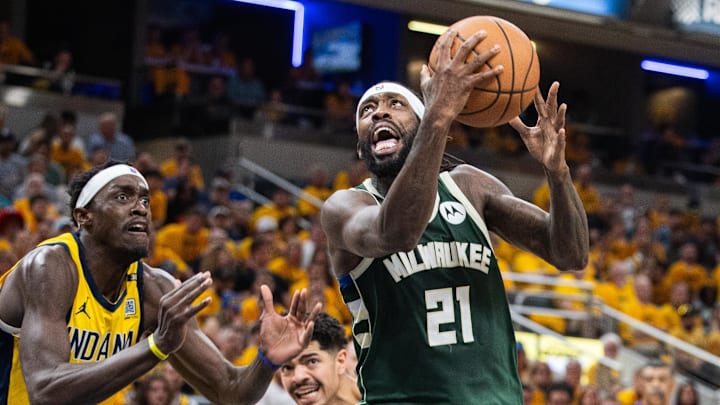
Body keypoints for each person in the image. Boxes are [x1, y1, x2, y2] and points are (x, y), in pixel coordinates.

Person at [319, 28, 589, 403]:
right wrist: (438, 115)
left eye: (396, 104)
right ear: (360, 143)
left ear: (421, 126)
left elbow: (570, 253)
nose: (379, 111)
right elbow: (396, 233)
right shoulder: (346, 207)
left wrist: (558, 174)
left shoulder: (471, 187)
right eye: (367, 110)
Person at [0, 161, 321, 404]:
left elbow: (230, 390)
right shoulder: (51, 267)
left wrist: (266, 360)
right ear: (84, 215)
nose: (139, 207)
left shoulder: (155, 289)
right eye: (123, 196)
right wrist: (155, 346)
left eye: (145, 200)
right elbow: (45, 390)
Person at [279, 313, 360, 405]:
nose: (298, 377)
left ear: (340, 361)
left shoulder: (376, 396)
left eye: (312, 361)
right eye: (287, 367)